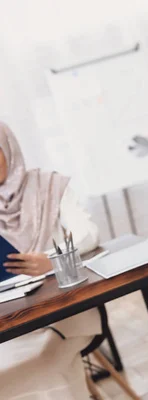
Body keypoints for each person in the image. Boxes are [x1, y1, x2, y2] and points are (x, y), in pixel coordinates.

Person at [0, 122, 101, 400]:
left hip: (64, 311)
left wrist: (52, 260)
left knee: (45, 366)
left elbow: (89, 233)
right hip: (11, 323)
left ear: (8, 149)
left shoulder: (48, 185)